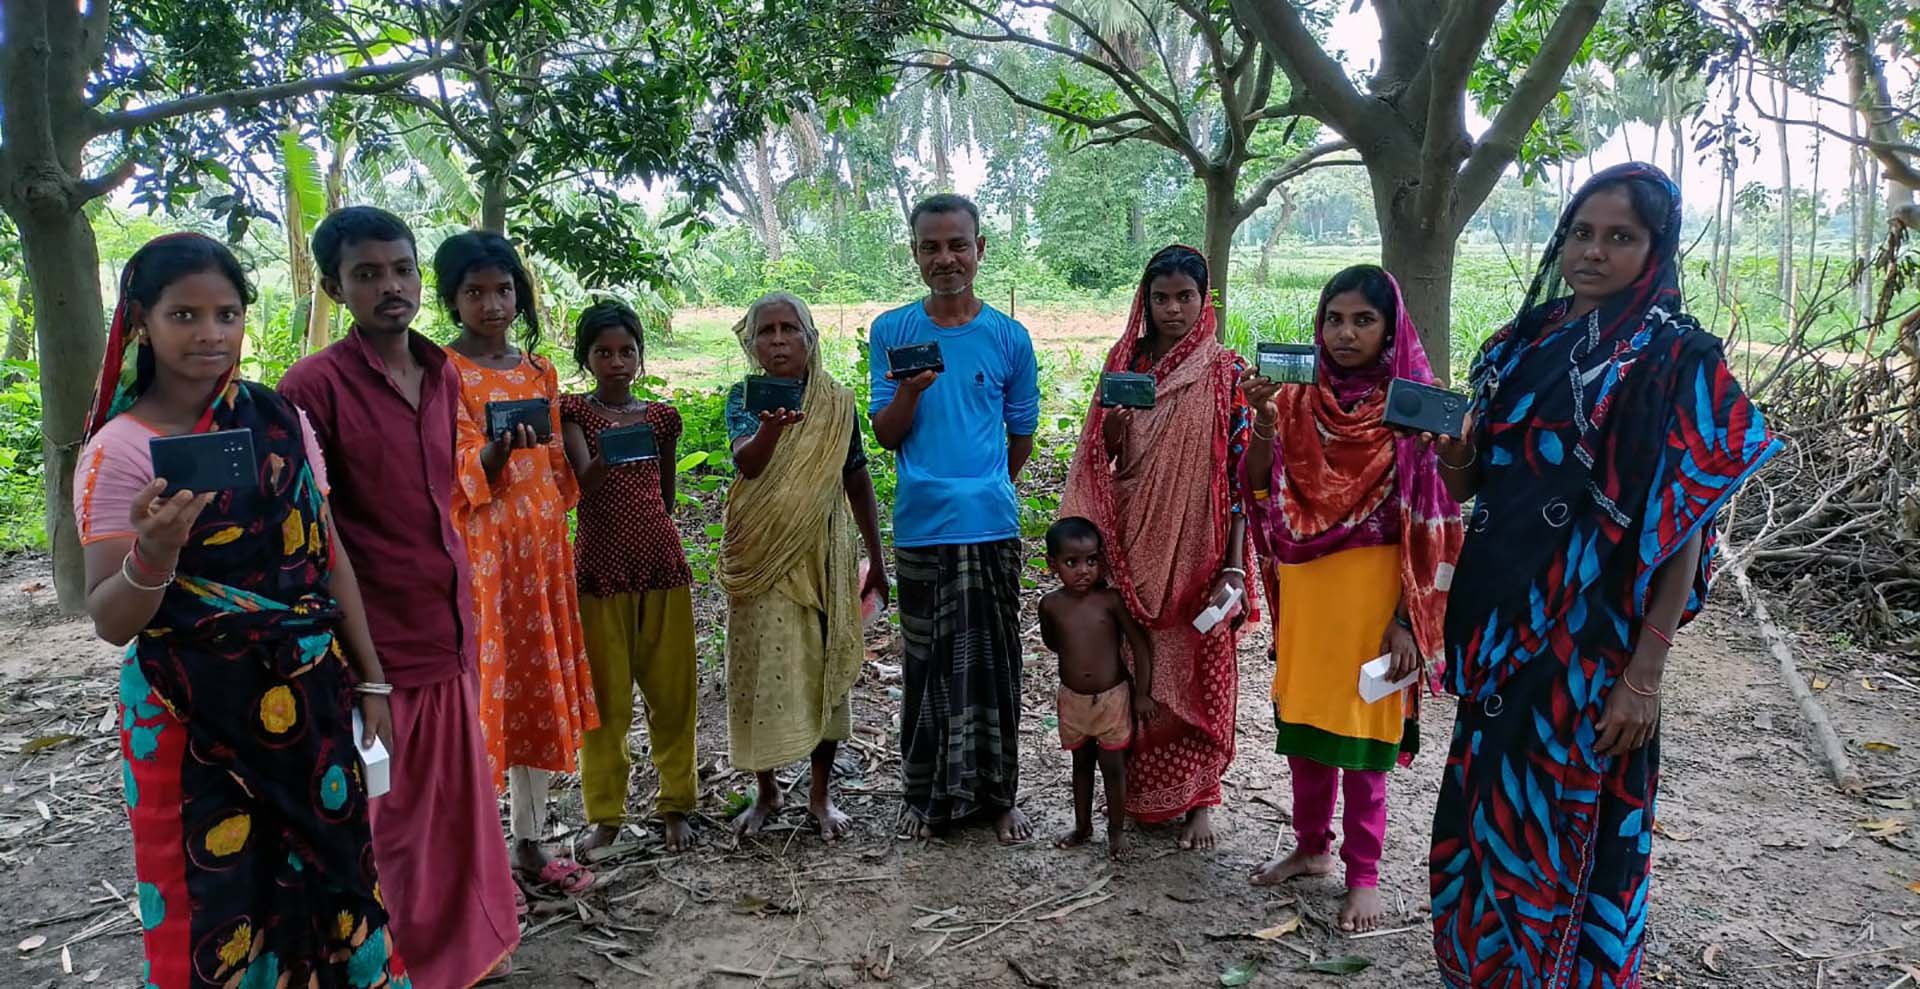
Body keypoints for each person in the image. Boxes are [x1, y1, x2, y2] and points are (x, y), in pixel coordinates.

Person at [1426, 163, 1781, 988]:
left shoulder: (1680, 360)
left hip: (1592, 643)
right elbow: (1475, 485)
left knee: (1568, 813)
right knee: (1486, 803)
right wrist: (1457, 457)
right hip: (1497, 620)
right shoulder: (1521, 341)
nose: (1594, 251)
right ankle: (1483, 968)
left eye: (1620, 236)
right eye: (1582, 232)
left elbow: (1684, 519)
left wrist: (1645, 673)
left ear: (1656, 247)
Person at [75, 233, 405, 987]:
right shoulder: (121, 450)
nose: (210, 334)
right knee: (218, 900)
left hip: (309, 691)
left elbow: (330, 555)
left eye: (227, 313)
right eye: (184, 314)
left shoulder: (277, 418)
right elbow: (112, 619)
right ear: (142, 323)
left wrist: (372, 677)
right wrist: (154, 553)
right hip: (193, 716)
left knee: (334, 881)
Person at [281, 207, 520, 986]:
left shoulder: (442, 370)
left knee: (457, 812)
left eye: (403, 269)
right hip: (375, 646)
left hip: (449, 620)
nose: (391, 286)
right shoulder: (311, 388)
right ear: (333, 285)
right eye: (368, 274)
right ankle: (388, 964)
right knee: (390, 825)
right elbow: (314, 536)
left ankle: (467, 953)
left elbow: (446, 491)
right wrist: (366, 666)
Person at [1239, 265, 1463, 933]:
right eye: (1334, 318)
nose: (1345, 332)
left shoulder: (1411, 412)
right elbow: (1256, 486)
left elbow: (1435, 523)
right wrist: (1261, 418)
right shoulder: (1297, 401)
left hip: (1375, 594)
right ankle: (1312, 847)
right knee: (1305, 725)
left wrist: (1406, 621)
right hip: (1309, 590)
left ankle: (1363, 873)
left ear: (1389, 328)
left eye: (1363, 319)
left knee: (1365, 736)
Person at [1059, 244, 1253, 851]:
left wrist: (1232, 563)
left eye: (1185, 297)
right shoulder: (1127, 365)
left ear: (1205, 300)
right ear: (1145, 301)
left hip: (1198, 545)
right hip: (1132, 536)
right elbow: (1101, 455)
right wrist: (1114, 425)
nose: (1173, 309)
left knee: (1200, 661)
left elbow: (1239, 477)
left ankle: (1200, 800)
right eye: (1160, 298)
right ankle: (1133, 795)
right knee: (1134, 665)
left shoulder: (1226, 372)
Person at [869, 194, 1041, 842]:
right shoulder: (892, 332)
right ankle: (924, 794)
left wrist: (987, 487)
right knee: (926, 663)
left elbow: (1019, 433)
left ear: (980, 248)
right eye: (931, 247)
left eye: (957, 244)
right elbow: (886, 434)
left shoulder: (1008, 337)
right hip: (922, 525)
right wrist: (911, 390)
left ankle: (1000, 796)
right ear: (915, 254)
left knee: (996, 664)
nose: (946, 258)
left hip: (991, 526)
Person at [438, 231, 599, 893]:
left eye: (502, 289)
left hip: (542, 555)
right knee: (488, 697)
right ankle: (476, 856)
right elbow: (456, 469)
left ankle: (529, 839)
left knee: (534, 689)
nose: (491, 303)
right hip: (487, 558)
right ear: (452, 298)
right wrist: (500, 452)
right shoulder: (445, 373)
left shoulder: (538, 370)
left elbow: (562, 461)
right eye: (474, 291)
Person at [719, 292, 891, 841]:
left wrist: (877, 558)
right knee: (759, 671)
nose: (776, 341)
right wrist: (770, 426)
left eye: (788, 329)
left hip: (825, 554)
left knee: (825, 669)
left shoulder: (837, 404)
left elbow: (856, 479)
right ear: (751, 343)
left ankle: (820, 795)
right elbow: (748, 462)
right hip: (761, 554)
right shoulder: (742, 397)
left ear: (809, 337)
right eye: (764, 331)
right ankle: (767, 790)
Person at [559, 300, 700, 855]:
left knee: (673, 693)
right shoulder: (574, 414)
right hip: (599, 569)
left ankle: (677, 804)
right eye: (603, 352)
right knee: (605, 702)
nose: (616, 362)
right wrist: (610, 455)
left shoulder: (662, 417)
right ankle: (606, 814)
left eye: (627, 352)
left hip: (661, 564)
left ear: (641, 356)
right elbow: (581, 487)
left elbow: (666, 495)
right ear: (587, 357)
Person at [1038, 517, 1156, 860]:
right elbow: (1052, 642)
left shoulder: (1110, 601)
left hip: (1112, 699)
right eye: (1071, 562)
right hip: (1073, 699)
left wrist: (1142, 693)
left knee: (1113, 766)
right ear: (1052, 564)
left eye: (1091, 560)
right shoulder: (1051, 605)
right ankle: (1082, 825)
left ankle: (1116, 832)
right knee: (1080, 764)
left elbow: (1139, 645)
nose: (1083, 570)